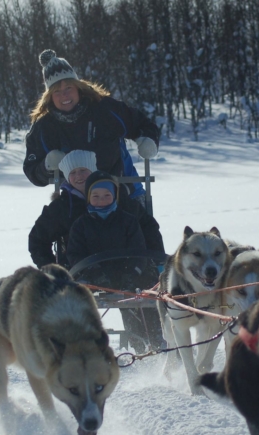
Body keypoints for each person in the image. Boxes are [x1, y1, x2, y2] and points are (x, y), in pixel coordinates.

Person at [24, 49, 159, 205]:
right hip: (77, 201)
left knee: (139, 227)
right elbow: (32, 171)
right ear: (49, 97)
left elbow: (142, 123)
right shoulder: (44, 128)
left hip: (124, 192)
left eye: (68, 88)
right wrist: (47, 165)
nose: (64, 96)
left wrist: (148, 140)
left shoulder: (105, 109)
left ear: (78, 87)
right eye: (57, 92)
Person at [67, 170, 165, 353]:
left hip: (130, 274)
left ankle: (152, 343)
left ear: (115, 196)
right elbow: (75, 254)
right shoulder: (80, 225)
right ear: (88, 197)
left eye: (106, 195)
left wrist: (132, 274)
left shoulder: (128, 221)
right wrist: (94, 274)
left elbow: (139, 252)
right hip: (94, 277)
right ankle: (84, 347)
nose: (101, 200)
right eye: (96, 196)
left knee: (143, 298)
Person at [28, 150, 164, 268]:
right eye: (73, 172)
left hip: (127, 269)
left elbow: (148, 227)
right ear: (68, 177)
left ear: (93, 171)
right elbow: (37, 239)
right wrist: (53, 270)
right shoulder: (62, 206)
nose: (79, 176)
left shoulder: (118, 197)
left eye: (83, 170)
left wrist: (157, 262)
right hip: (80, 273)